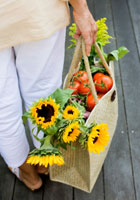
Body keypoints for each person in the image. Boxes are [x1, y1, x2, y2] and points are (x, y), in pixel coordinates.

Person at [0, 0, 97, 190]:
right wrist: (81, 9)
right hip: (36, 9)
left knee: (2, 103)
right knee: (43, 92)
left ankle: (25, 171)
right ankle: (46, 160)